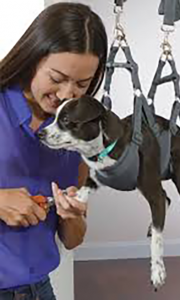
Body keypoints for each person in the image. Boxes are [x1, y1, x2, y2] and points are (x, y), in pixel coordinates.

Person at [0, 2, 107, 299]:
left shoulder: (79, 134)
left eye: (82, 84)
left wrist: (72, 216)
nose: (65, 95)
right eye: (57, 79)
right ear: (32, 58)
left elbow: (72, 240)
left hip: (40, 291)